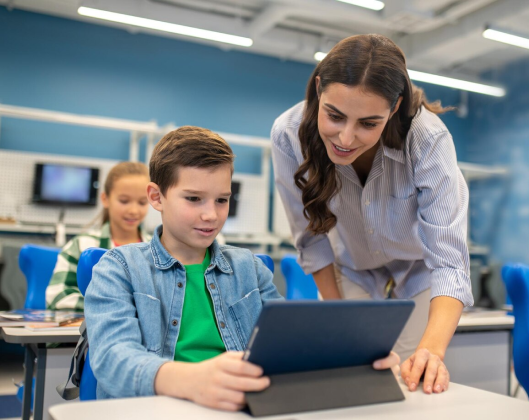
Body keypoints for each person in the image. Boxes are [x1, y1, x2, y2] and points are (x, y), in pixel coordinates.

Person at [84, 126, 400, 411]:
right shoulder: (119, 268)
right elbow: (112, 359)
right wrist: (191, 380)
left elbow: (289, 344)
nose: (211, 215)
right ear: (156, 197)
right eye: (194, 198)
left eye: (222, 200)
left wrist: (354, 358)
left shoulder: (248, 268)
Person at [272, 34, 473, 396]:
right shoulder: (288, 135)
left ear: (394, 108)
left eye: (368, 123)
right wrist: (341, 325)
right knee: (350, 376)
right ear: (319, 89)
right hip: (351, 269)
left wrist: (432, 351)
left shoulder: (427, 139)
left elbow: (449, 262)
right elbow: (311, 241)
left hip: (420, 271)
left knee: (412, 382)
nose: (346, 138)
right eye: (334, 115)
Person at [46, 161, 151, 311]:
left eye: (142, 202)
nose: (134, 210)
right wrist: (117, 305)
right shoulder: (81, 246)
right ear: (105, 199)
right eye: (124, 201)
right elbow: (57, 297)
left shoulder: (159, 249)